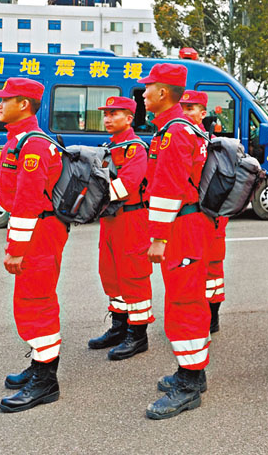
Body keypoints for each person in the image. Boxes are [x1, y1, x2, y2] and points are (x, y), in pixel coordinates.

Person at [140, 63, 211, 420]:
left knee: (184, 302)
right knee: (184, 298)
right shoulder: (176, 128)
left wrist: (158, 237)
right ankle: (191, 372)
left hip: (181, 227)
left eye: (148, 87)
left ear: (163, 93)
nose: (143, 94)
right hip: (185, 224)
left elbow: (169, 189)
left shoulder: (174, 132)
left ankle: (190, 384)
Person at [0, 78, 65, 413]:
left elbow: (27, 202)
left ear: (23, 104)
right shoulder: (22, 139)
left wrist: (16, 249)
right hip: (38, 228)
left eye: (5, 99)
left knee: (36, 301)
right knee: (31, 299)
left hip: (39, 230)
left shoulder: (33, 145)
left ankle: (46, 381)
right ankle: (39, 364)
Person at [87, 96, 153, 360]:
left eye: (114, 114)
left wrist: (89, 197)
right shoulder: (110, 146)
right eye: (106, 114)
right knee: (110, 273)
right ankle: (119, 326)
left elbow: (127, 185)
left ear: (129, 118)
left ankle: (138, 334)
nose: (107, 118)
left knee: (133, 275)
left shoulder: (135, 149)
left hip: (132, 219)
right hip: (110, 219)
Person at [180, 90, 226, 334]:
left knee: (213, 268)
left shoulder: (212, 143)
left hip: (212, 215)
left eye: (190, 108)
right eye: (182, 108)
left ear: (202, 113)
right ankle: (198, 314)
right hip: (193, 216)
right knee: (193, 268)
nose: (185, 113)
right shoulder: (183, 137)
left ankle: (212, 316)